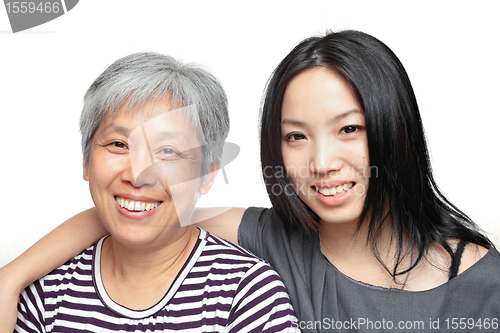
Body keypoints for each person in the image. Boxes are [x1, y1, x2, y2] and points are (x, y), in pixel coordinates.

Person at [2, 30, 499, 332]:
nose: (322, 162)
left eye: (350, 129)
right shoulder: (272, 238)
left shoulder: (483, 288)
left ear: (396, 130)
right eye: (295, 136)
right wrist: (11, 279)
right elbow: (142, 207)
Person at [9, 52, 298, 333]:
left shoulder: (246, 295)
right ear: (86, 160)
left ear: (207, 174)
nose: (137, 175)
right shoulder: (46, 295)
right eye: (119, 145)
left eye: (168, 151)